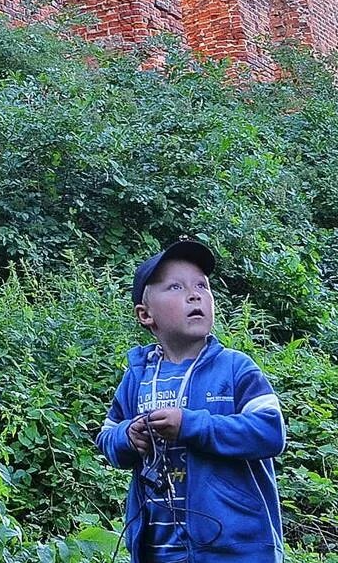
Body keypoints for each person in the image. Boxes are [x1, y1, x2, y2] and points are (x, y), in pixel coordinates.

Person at [96, 241, 287, 562]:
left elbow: (270, 431)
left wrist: (191, 424)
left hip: (235, 550)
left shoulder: (235, 368)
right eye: (175, 287)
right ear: (145, 315)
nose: (194, 294)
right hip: (158, 550)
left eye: (202, 285)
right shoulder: (137, 377)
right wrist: (128, 435)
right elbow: (107, 437)